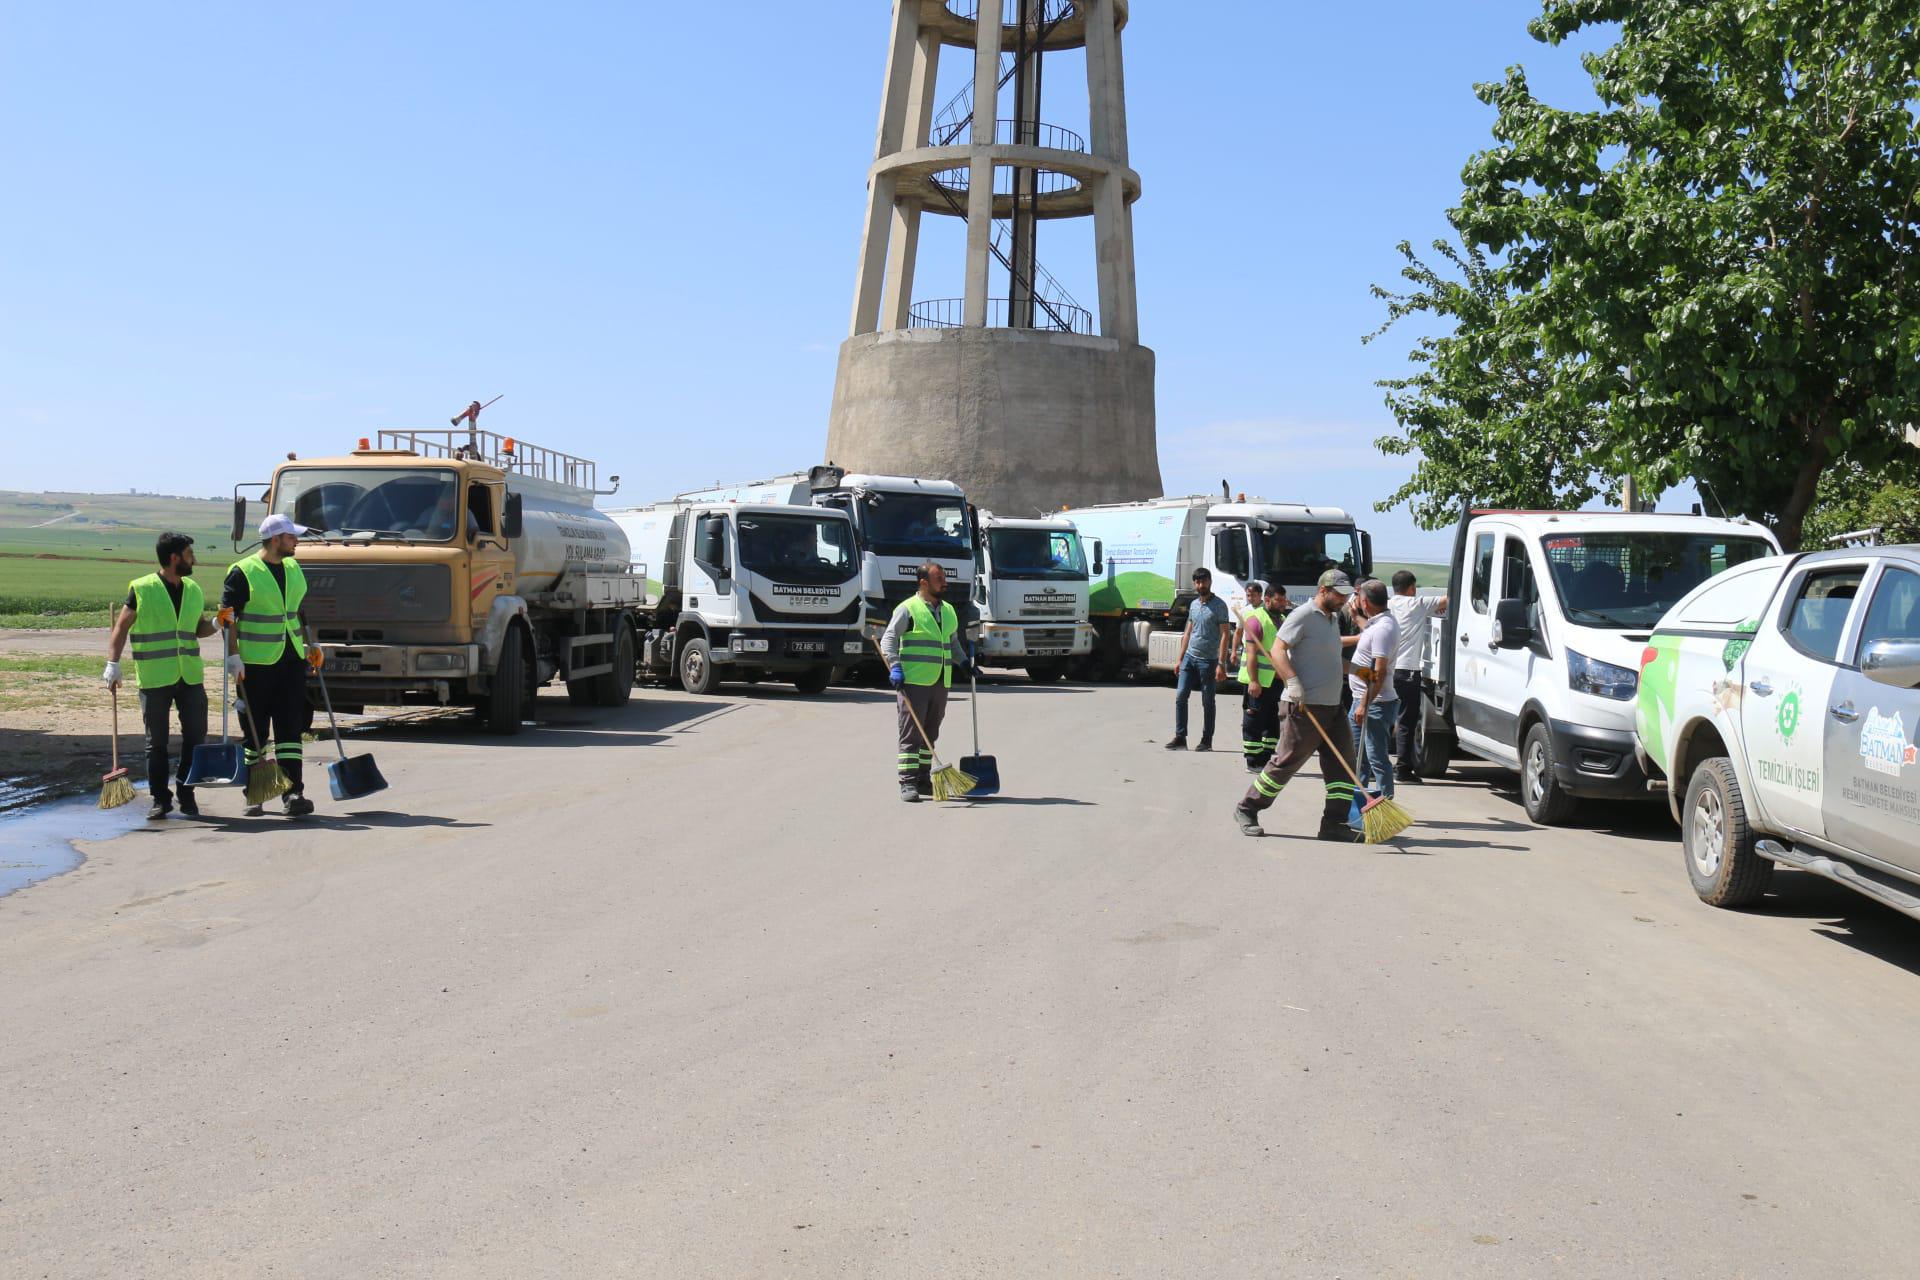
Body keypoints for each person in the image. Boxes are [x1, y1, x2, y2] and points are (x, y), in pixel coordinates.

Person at [1232, 570, 1362, 842]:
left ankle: (1333, 824)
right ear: (1323, 590)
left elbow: (1330, 659)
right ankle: (1247, 808)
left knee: (1343, 766)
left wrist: (1361, 672)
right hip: (1304, 707)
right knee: (1286, 763)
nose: (1343, 600)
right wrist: (1292, 681)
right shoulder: (1302, 615)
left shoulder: (1331, 619)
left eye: (1346, 595)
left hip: (1333, 706)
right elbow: (1278, 649)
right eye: (1339, 594)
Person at [102, 532, 217, 819]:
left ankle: (186, 793)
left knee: (196, 737)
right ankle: (160, 799)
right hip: (155, 677)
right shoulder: (142, 588)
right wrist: (113, 664)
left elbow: (197, 628)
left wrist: (216, 623)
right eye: (190, 554)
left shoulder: (193, 588)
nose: (194, 559)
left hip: (190, 676)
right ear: (174, 557)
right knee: (157, 743)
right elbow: (121, 627)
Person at [223, 514, 325, 818]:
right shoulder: (242, 572)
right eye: (292, 536)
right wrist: (232, 655)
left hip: (291, 659)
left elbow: (297, 611)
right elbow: (229, 617)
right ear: (276, 539)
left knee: (290, 729)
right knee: (255, 734)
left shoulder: (293, 568)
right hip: (255, 664)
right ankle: (256, 793)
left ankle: (293, 793)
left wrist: (312, 644)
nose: (296, 541)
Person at [881, 562, 967, 802]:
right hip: (914, 682)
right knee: (911, 734)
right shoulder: (908, 609)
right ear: (924, 582)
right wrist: (896, 667)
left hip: (940, 681)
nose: (945, 582)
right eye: (940, 578)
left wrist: (964, 663)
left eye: (944, 577)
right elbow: (888, 639)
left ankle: (922, 779)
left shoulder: (948, 610)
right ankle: (907, 783)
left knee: (929, 733)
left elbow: (952, 642)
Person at [1387, 570, 1449, 782]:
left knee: (1383, 719)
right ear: (1412, 588)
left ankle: (1373, 765)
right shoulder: (1418, 604)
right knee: (1406, 721)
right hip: (1408, 673)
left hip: (1387, 670)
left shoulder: (1388, 605)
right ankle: (1403, 770)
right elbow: (1448, 600)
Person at [1165, 568, 1230, 751]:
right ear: (1194, 584)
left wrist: (1221, 663)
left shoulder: (1219, 605)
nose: (1201, 585)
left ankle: (1206, 740)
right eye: (1198, 582)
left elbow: (1225, 635)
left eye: (1204, 581)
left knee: (1207, 701)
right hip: (1189, 658)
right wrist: (1179, 659)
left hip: (1208, 661)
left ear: (1209, 582)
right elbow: (1188, 632)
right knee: (1180, 697)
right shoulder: (1193, 605)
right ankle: (1180, 737)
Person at [1348, 578, 1401, 804]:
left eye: (1360, 599)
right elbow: (1367, 631)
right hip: (1364, 700)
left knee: (1376, 757)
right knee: (1359, 758)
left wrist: (1363, 704)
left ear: (1366, 602)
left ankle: (1385, 805)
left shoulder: (1384, 629)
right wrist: (1356, 617)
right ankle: (1360, 802)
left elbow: (1378, 674)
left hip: (1374, 703)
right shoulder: (1378, 623)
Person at [1237, 581, 1291, 773]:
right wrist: (1254, 680)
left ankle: (1267, 758)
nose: (1283, 603)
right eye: (1279, 600)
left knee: (1272, 722)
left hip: (1276, 681)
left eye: (1284, 599)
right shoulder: (1255, 620)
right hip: (1258, 681)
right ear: (1267, 600)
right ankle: (1253, 761)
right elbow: (1251, 653)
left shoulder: (1283, 620)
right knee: (1254, 721)